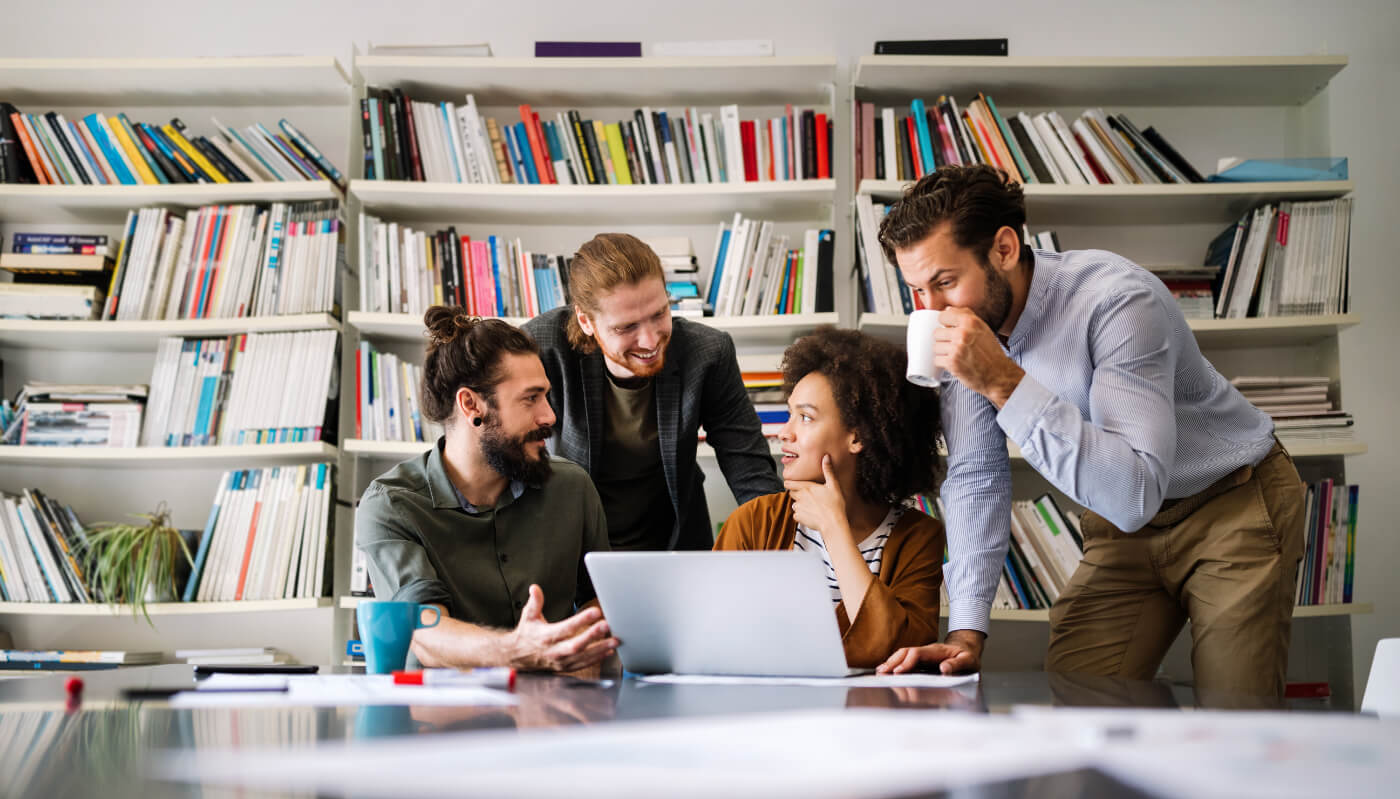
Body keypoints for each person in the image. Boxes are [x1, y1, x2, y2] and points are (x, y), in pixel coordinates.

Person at [875, 164, 1305, 702]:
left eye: (945, 283)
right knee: (1079, 699)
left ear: (1004, 249)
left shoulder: (1116, 301)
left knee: (1235, 712)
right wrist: (965, 632)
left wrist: (1003, 381)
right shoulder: (964, 330)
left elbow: (1135, 491)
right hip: (1123, 527)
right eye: (917, 290)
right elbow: (977, 476)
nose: (933, 311)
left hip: (1232, 500)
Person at [354, 308, 618, 672]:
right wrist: (519, 651)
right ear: (471, 405)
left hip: (556, 703)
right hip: (442, 708)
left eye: (546, 396)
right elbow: (425, 631)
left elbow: (600, 601)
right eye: (531, 398)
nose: (549, 416)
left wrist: (579, 655)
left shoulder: (573, 488)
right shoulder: (391, 506)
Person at [522, 232, 783, 551]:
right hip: (572, 545)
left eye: (659, 314)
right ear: (586, 321)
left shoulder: (707, 353)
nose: (650, 341)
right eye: (626, 326)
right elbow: (509, 457)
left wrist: (779, 548)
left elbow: (749, 465)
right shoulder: (540, 349)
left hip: (675, 544)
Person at [713, 328, 945, 668]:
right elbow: (715, 639)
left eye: (806, 417)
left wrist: (835, 529)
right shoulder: (753, 522)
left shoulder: (919, 537)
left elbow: (901, 651)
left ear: (858, 437)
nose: (784, 432)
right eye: (790, 414)